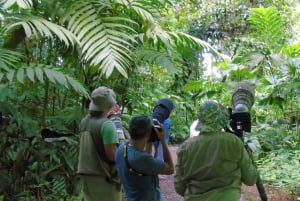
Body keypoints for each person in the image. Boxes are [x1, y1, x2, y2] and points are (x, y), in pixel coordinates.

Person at [174, 100, 258, 201]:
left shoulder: (185, 147)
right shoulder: (233, 142)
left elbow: (179, 186)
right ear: (222, 118)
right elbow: (250, 179)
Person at [115, 114, 174, 201]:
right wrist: (163, 141)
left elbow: (145, 164)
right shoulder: (141, 159)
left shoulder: (122, 149)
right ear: (148, 133)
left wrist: (149, 141)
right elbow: (170, 169)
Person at [77, 86, 121, 201]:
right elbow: (111, 156)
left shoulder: (84, 121)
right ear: (110, 105)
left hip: (86, 176)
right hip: (103, 177)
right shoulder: (107, 125)